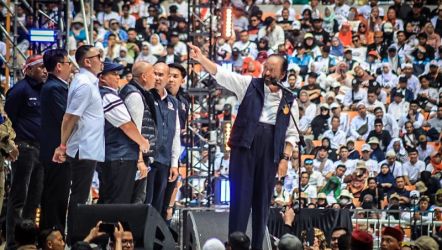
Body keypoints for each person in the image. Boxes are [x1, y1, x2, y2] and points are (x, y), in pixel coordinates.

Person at [188, 43, 299, 249]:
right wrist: (202, 59)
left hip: (270, 151)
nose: (267, 72)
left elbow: (292, 133)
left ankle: (257, 245)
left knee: (262, 202)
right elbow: (222, 74)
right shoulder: (249, 84)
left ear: (283, 74)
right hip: (244, 147)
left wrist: (285, 158)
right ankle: (235, 243)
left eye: (272, 70)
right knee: (239, 198)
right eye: (266, 67)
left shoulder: (289, 99)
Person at [52, 45, 104, 241]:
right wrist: (62, 146)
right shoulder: (84, 84)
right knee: (79, 197)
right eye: (98, 56)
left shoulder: (87, 82)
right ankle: (75, 239)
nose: (102, 59)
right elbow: (69, 117)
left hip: (88, 147)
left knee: (81, 196)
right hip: (83, 147)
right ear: (87, 61)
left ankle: (77, 236)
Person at [5, 54, 47, 248]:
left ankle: (28, 241)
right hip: (24, 148)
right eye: (40, 67)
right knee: (18, 197)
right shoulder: (19, 91)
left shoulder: (45, 90)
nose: (45, 70)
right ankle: (14, 243)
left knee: (35, 198)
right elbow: (9, 120)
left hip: (41, 149)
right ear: (28, 70)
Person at [97, 62, 150, 204]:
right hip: (119, 155)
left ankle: (108, 226)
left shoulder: (109, 94)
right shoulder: (108, 96)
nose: (117, 77)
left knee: (111, 200)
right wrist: (142, 142)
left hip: (115, 154)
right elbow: (126, 125)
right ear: (102, 78)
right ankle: (109, 226)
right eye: (113, 74)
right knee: (117, 202)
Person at [39, 49, 72, 232]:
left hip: (56, 149)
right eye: (68, 64)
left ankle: (54, 234)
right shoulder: (54, 88)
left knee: (57, 195)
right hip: (56, 151)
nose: (71, 68)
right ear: (59, 66)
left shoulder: (56, 86)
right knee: (55, 196)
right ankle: (52, 235)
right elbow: (65, 118)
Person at [145, 62, 180, 214]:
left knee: (159, 206)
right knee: (146, 202)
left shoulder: (173, 102)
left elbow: (176, 133)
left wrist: (174, 163)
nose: (158, 78)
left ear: (168, 78)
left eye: (161, 75)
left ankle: (154, 237)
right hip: (148, 159)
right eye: (155, 74)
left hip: (165, 161)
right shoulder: (145, 95)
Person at [119, 61, 157, 204]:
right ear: (144, 76)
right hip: (134, 157)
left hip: (133, 156)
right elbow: (136, 131)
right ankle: (127, 227)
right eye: (153, 73)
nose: (156, 78)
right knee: (135, 200)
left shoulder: (138, 92)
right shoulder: (134, 95)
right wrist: (140, 160)